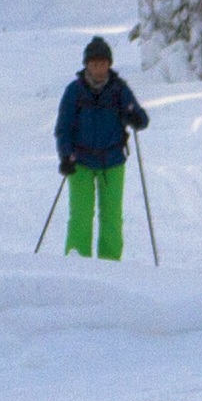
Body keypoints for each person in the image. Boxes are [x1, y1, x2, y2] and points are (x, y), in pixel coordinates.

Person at [54, 37, 150, 260]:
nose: (98, 68)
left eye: (103, 63)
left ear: (109, 64)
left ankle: (111, 265)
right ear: (86, 65)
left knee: (112, 219)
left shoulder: (119, 90)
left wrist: (135, 117)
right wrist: (65, 155)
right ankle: (76, 263)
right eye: (94, 63)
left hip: (113, 162)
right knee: (80, 217)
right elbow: (63, 128)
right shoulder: (74, 91)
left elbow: (141, 119)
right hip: (80, 163)